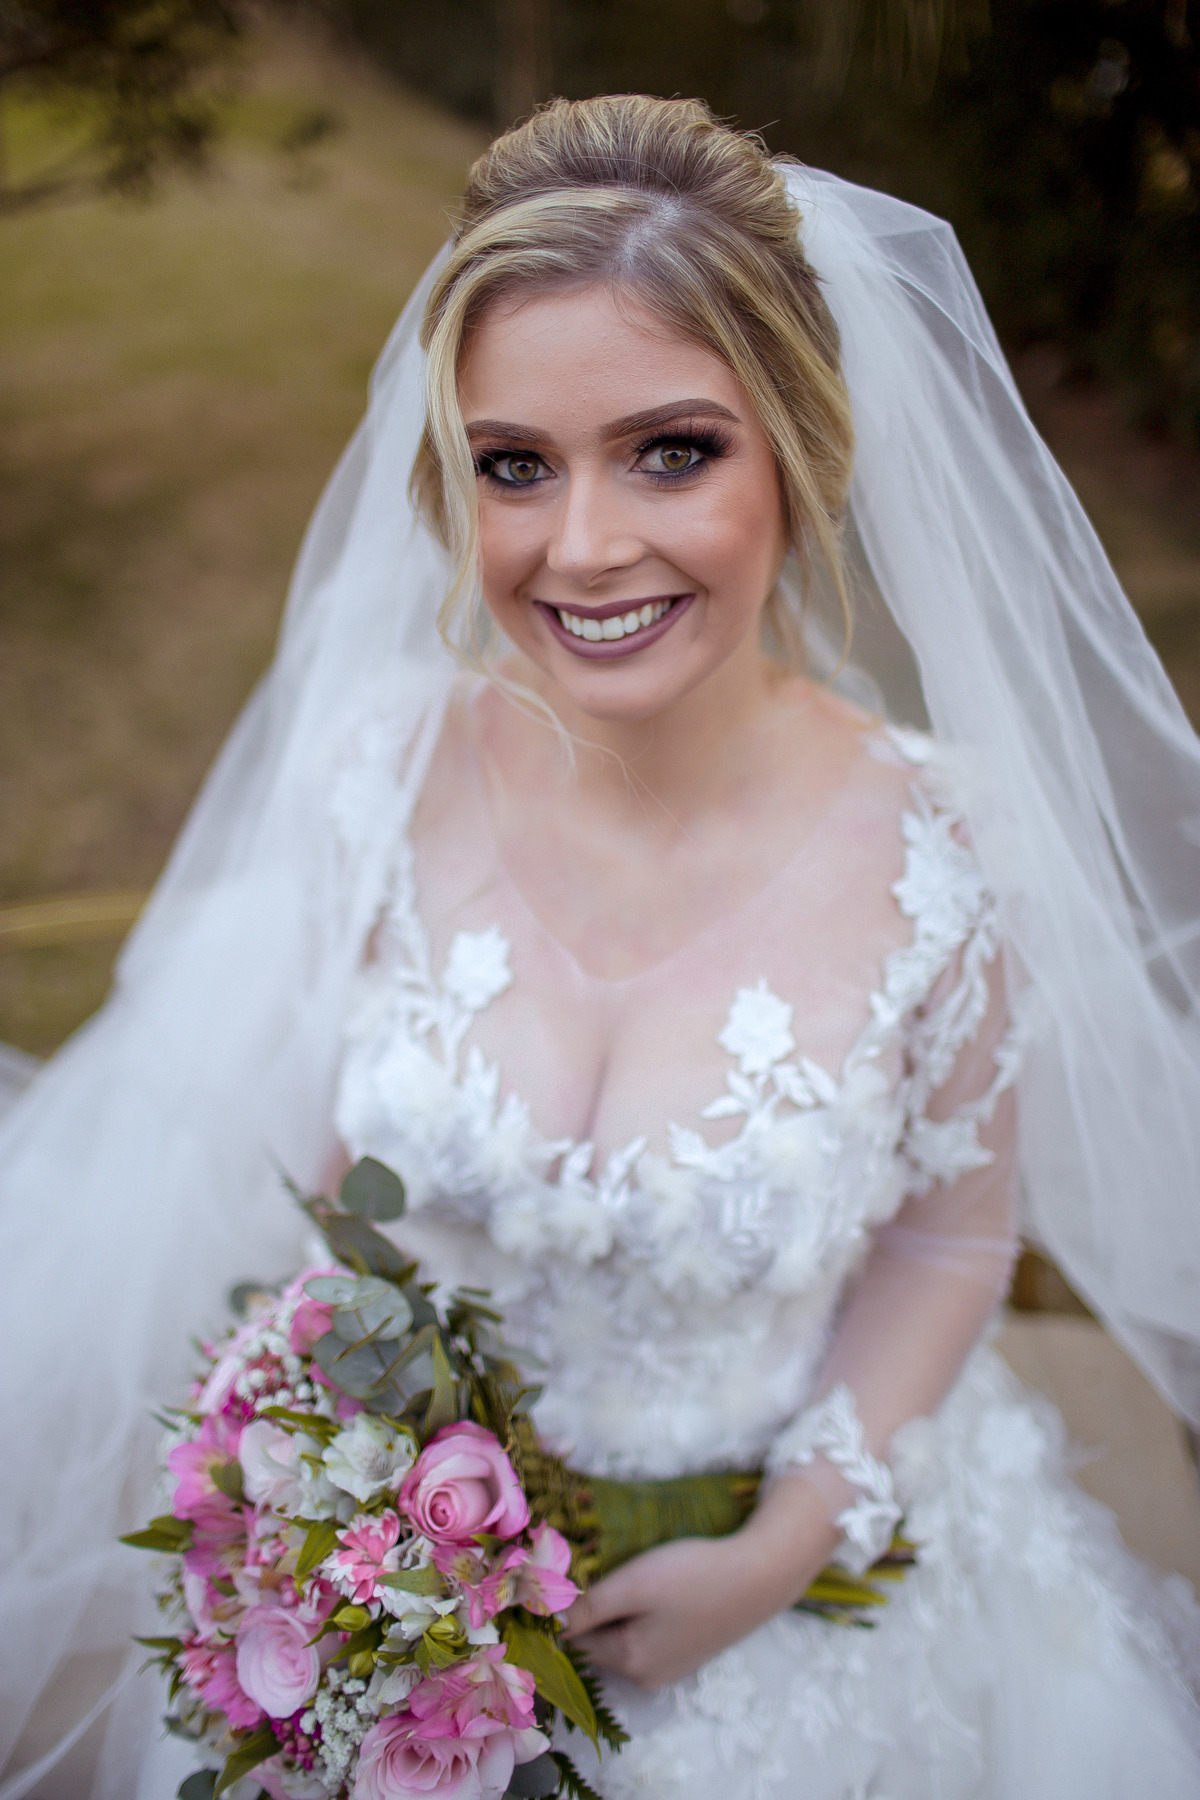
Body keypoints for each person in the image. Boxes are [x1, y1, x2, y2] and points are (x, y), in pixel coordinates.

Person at [3, 94, 1200, 1800]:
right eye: (515, 465)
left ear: (802, 447)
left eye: (671, 451)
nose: (581, 548)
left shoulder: (951, 848)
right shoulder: (380, 772)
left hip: (798, 1610)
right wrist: (338, 1494)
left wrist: (783, 1547)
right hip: (410, 1626)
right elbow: (334, 1182)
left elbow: (948, 1239)